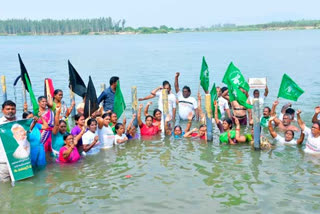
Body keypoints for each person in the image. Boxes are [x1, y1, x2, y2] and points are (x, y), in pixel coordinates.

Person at [0, 101, 18, 182]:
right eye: (8, 109)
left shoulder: (20, 122)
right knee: (5, 187)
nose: (10, 111)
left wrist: (34, 121)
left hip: (18, 161)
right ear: (2, 110)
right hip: (3, 162)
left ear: (15, 110)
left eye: (12, 109)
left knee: (20, 185)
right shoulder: (0, 124)